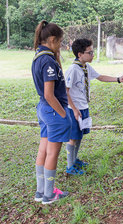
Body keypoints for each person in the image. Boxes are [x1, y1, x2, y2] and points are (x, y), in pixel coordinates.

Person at [64, 38, 123, 175]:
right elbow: (65, 91)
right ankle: (70, 166)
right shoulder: (73, 69)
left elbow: (100, 77)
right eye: (90, 52)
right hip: (74, 109)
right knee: (72, 137)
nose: (93, 55)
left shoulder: (86, 67)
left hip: (83, 107)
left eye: (92, 51)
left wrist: (118, 79)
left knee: (79, 135)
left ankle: (74, 160)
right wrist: (75, 109)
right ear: (80, 54)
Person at [32, 21, 71, 204]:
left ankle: (41, 191)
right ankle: (49, 193)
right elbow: (49, 95)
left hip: (43, 110)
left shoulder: (38, 56)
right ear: (53, 39)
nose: (61, 46)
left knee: (43, 149)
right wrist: (63, 114)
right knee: (52, 153)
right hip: (53, 111)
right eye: (60, 42)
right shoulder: (48, 60)